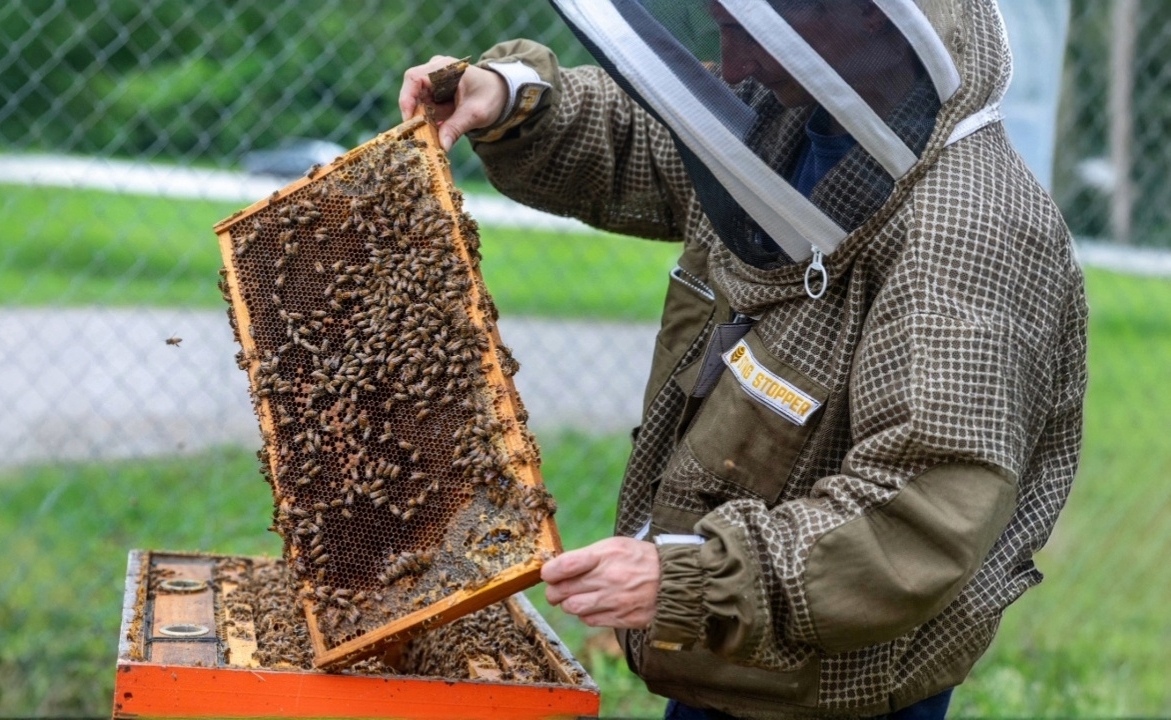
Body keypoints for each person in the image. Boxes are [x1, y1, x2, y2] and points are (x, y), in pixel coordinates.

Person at [400, 0, 1087, 717]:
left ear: (866, 19)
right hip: (731, 646)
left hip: (832, 686)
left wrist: (694, 580)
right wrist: (514, 100)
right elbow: (654, 140)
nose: (734, 65)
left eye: (750, 33)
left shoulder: (971, 232)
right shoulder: (800, 116)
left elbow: (916, 511)